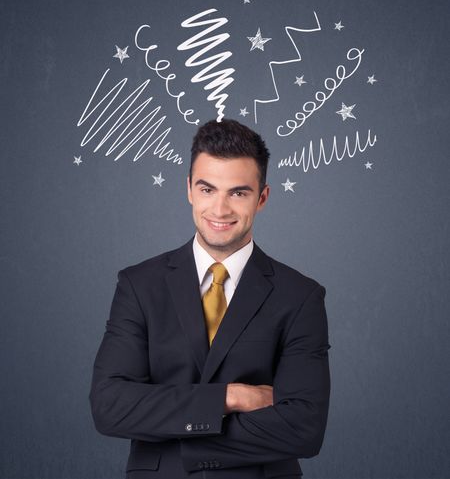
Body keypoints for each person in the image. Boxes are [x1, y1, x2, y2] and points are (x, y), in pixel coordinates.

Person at [89, 119, 331, 478]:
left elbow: (304, 428)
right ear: (188, 189)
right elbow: (110, 406)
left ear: (262, 197)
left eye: (238, 192)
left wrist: (177, 433)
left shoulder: (300, 296)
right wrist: (228, 397)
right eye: (207, 189)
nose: (220, 210)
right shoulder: (139, 285)